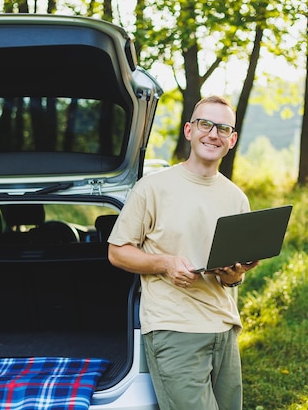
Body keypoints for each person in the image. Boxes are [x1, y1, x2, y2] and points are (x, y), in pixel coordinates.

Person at [107, 95, 257, 410]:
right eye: (205, 124)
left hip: (224, 328)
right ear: (189, 130)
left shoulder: (237, 198)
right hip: (174, 330)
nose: (213, 134)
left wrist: (235, 275)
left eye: (222, 128)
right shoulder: (152, 188)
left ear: (232, 139)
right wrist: (165, 263)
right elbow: (118, 252)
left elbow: (231, 272)